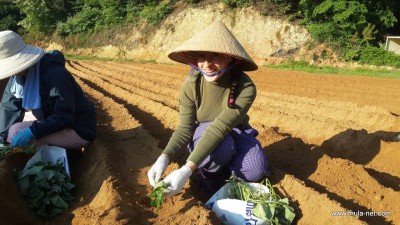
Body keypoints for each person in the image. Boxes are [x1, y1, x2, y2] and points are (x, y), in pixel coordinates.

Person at [147, 20, 269, 197]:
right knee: (223, 147)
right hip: (203, 132)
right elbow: (184, 129)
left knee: (255, 170)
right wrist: (163, 158)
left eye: (215, 56)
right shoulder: (192, 84)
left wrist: (185, 169)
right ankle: (207, 176)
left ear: (230, 57)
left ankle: (225, 176)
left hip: (234, 130)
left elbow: (221, 127)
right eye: (202, 56)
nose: (207, 64)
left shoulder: (245, 86)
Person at [0, 30, 96, 150]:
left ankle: (68, 156)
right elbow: (9, 108)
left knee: (18, 135)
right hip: (50, 119)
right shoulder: (17, 78)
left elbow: (64, 116)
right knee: (12, 129)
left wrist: (32, 132)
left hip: (78, 128)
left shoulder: (55, 74)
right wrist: (1, 140)